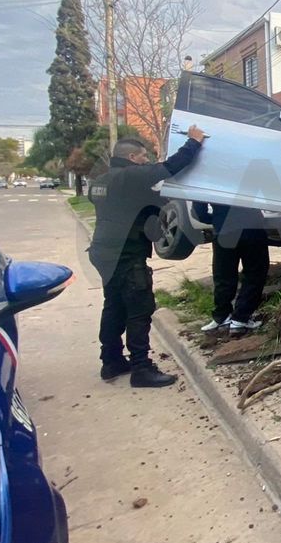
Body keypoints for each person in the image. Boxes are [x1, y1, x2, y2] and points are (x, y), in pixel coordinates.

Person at [88, 127, 204, 387]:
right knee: (139, 309)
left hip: (103, 253)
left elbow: (136, 204)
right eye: (143, 157)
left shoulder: (100, 182)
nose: (147, 161)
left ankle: (111, 361)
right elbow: (171, 166)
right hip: (126, 255)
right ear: (132, 158)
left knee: (114, 305)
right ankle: (141, 368)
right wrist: (193, 142)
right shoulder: (130, 176)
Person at [193, 201, 270, 336]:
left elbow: (199, 212)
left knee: (223, 275)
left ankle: (222, 317)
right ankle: (241, 319)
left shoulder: (207, 179)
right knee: (255, 273)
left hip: (223, 229)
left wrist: (217, 218)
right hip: (252, 228)